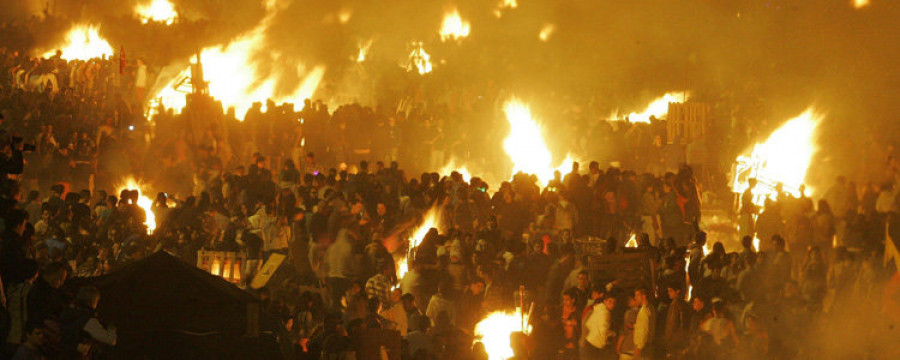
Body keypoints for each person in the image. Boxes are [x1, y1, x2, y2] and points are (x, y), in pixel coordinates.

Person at [60, 286, 117, 356]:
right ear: (93, 301)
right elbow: (110, 340)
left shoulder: (68, 312)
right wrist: (112, 328)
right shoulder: (87, 320)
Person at [581, 294, 616, 359]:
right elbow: (604, 330)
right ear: (605, 301)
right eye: (610, 301)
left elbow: (588, 324)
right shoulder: (606, 313)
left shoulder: (598, 309)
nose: (612, 304)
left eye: (614, 302)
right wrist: (612, 334)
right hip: (596, 346)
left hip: (589, 341)